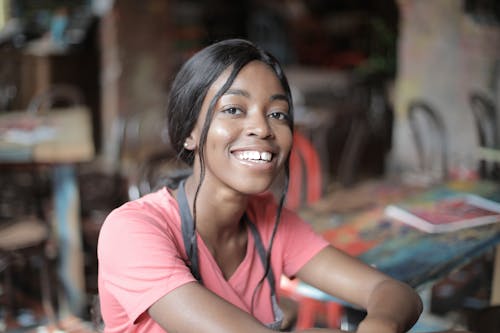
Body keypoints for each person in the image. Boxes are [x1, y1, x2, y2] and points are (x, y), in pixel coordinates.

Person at [98, 38, 437, 333]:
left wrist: (381, 324)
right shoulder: (132, 231)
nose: (262, 128)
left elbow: (395, 293)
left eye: (278, 114)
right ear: (189, 133)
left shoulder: (272, 224)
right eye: (233, 109)